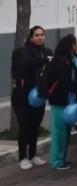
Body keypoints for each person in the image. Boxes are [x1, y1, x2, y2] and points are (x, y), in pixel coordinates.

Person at [10, 26, 52, 170]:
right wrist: (43, 61)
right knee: (24, 126)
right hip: (22, 95)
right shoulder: (21, 52)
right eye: (36, 35)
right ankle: (23, 157)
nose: (40, 37)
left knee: (35, 126)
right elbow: (22, 66)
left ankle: (33, 155)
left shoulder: (47, 52)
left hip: (38, 96)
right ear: (31, 37)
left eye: (42, 35)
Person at [40, 35, 77, 170]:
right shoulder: (59, 63)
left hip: (69, 102)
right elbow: (64, 82)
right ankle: (56, 161)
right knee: (59, 133)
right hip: (59, 102)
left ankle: (62, 159)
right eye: (74, 44)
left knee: (66, 132)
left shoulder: (71, 61)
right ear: (69, 46)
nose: (76, 46)